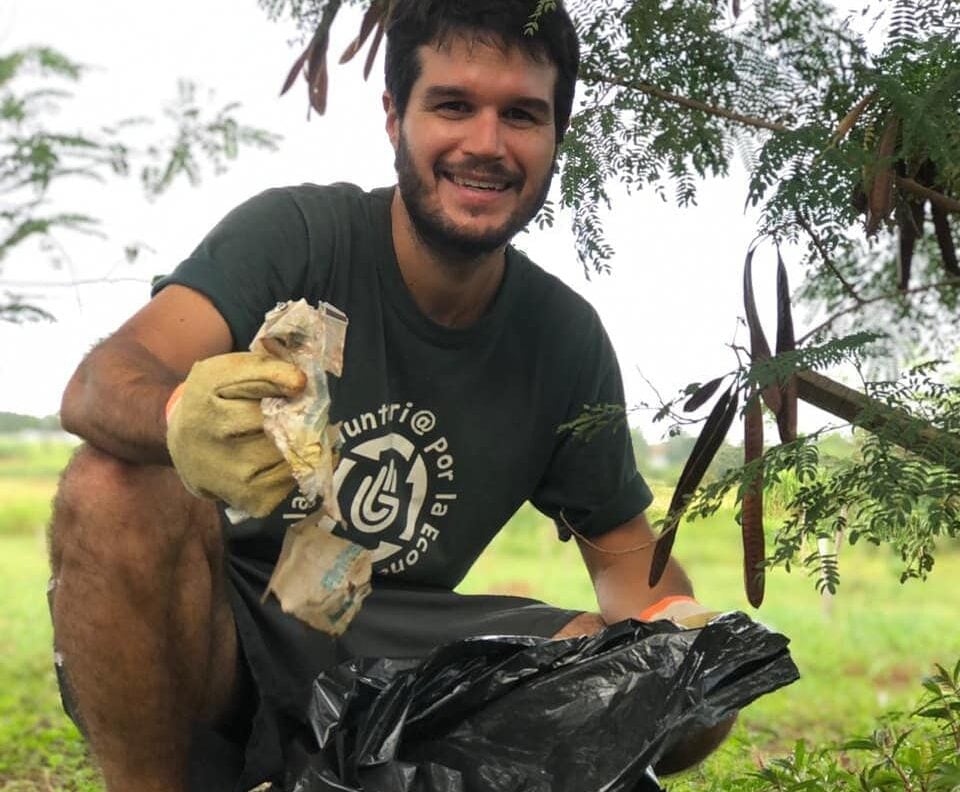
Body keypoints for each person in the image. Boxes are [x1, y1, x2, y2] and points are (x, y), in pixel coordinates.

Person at [49, 2, 732, 790]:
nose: (486, 143)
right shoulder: (298, 235)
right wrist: (178, 417)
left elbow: (633, 580)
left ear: (555, 138)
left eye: (521, 114)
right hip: (221, 639)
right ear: (392, 118)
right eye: (452, 105)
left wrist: (689, 641)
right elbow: (100, 382)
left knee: (650, 676)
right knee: (111, 483)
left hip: (397, 665)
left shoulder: (563, 339)